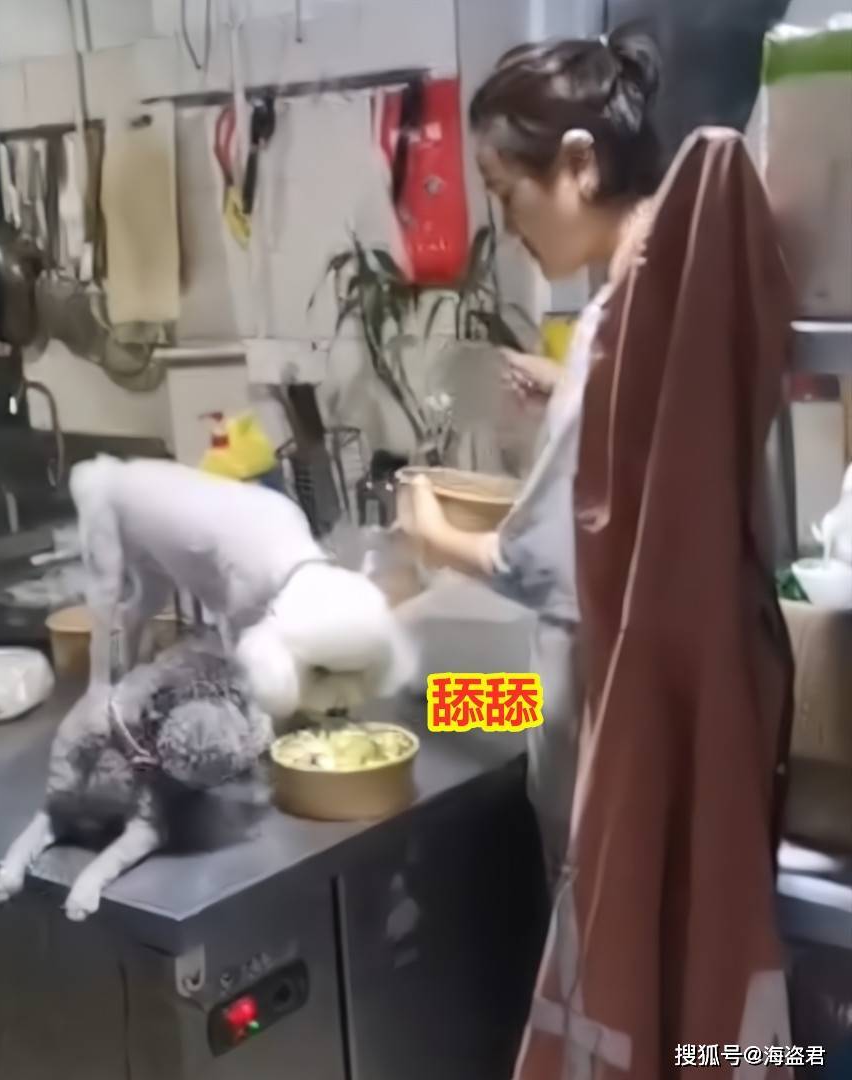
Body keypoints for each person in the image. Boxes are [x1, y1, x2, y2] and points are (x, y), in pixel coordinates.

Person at [399, 24, 663, 887]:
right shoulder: (660, 283)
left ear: (580, 163)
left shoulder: (610, 327)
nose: (509, 228)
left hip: (593, 720)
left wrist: (432, 534)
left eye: (508, 195)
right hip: (632, 706)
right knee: (426, 696)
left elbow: (535, 563)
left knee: (415, 699)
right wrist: (568, 387)